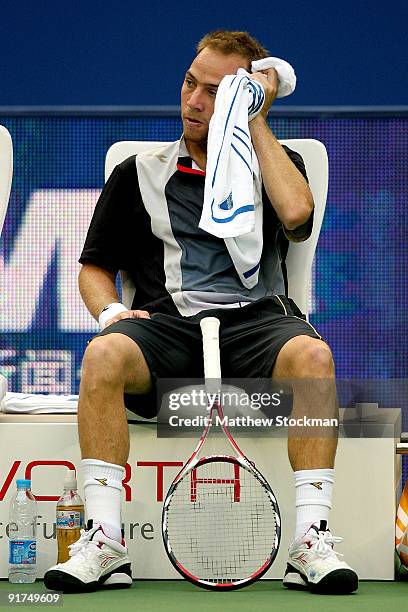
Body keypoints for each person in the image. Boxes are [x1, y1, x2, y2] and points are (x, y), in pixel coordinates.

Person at [44, 30, 358, 595]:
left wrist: (253, 118)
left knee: (314, 355)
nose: (193, 100)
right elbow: (94, 268)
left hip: (259, 322)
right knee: (104, 354)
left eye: (214, 91)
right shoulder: (138, 173)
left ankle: (311, 538)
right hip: (169, 326)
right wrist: (112, 311)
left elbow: (297, 215)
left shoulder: (277, 166)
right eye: (191, 83)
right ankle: (104, 539)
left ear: (240, 96)